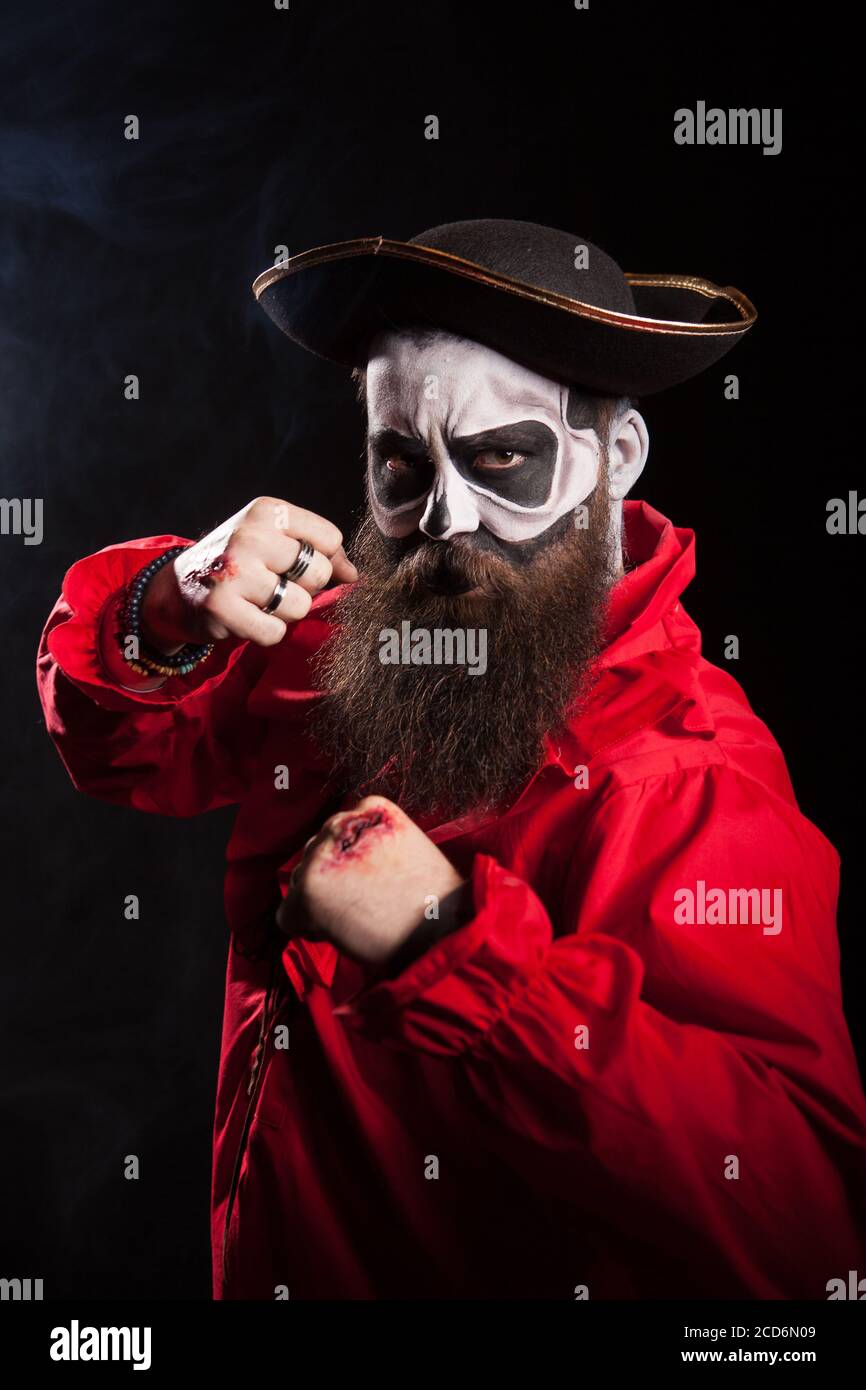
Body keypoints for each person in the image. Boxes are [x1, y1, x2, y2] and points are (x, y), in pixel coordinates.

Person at [37, 219, 866, 1299]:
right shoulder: (341, 646)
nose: (445, 519)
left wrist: (451, 946)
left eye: (501, 460)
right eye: (399, 467)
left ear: (612, 456)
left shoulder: (690, 780)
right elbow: (126, 753)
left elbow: (796, 1227)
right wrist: (175, 599)